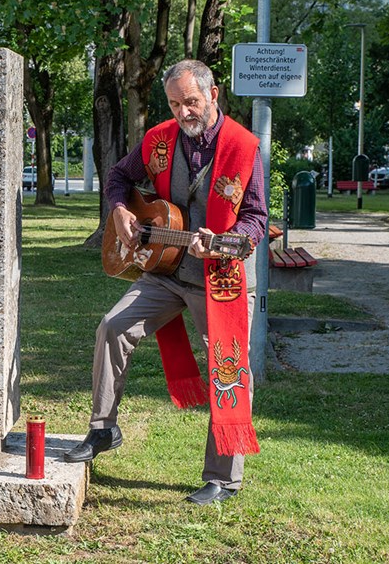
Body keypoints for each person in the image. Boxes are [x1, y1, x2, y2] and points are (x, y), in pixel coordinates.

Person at [62, 60, 266, 506]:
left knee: (228, 371)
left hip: (220, 279)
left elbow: (256, 220)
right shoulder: (159, 139)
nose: (183, 112)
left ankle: (223, 478)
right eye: (175, 103)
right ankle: (102, 429)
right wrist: (119, 210)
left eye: (190, 102)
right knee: (113, 327)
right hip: (165, 272)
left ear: (213, 96)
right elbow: (118, 176)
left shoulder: (244, 147)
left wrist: (226, 241)